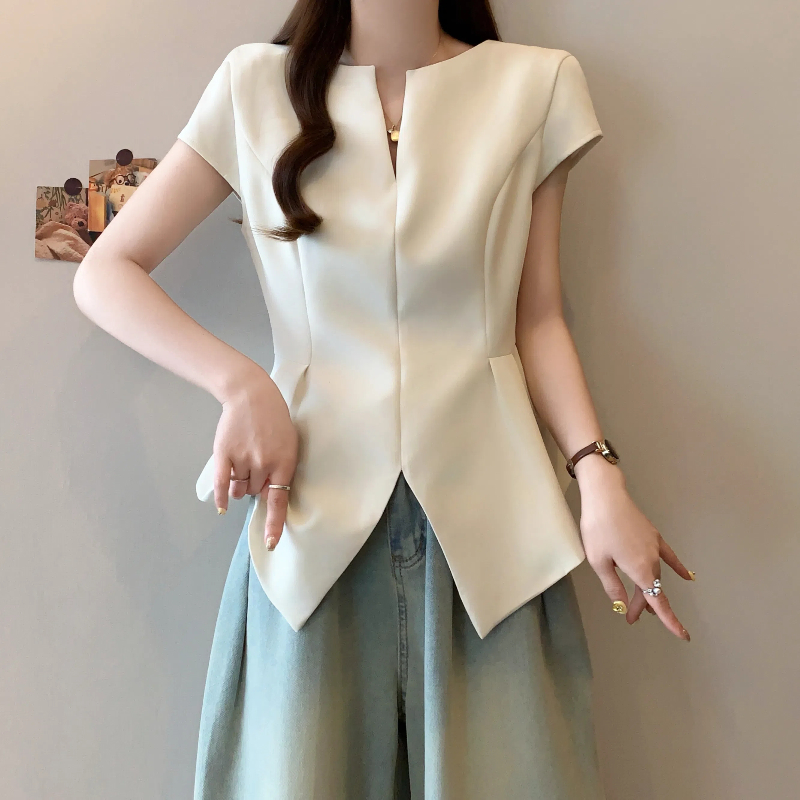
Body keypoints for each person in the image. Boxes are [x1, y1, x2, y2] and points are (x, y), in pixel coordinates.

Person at [72, 1, 696, 797]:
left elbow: (536, 316)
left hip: (495, 538)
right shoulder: (253, 85)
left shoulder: (534, 86)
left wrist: (598, 475)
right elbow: (106, 271)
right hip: (310, 529)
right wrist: (243, 384)